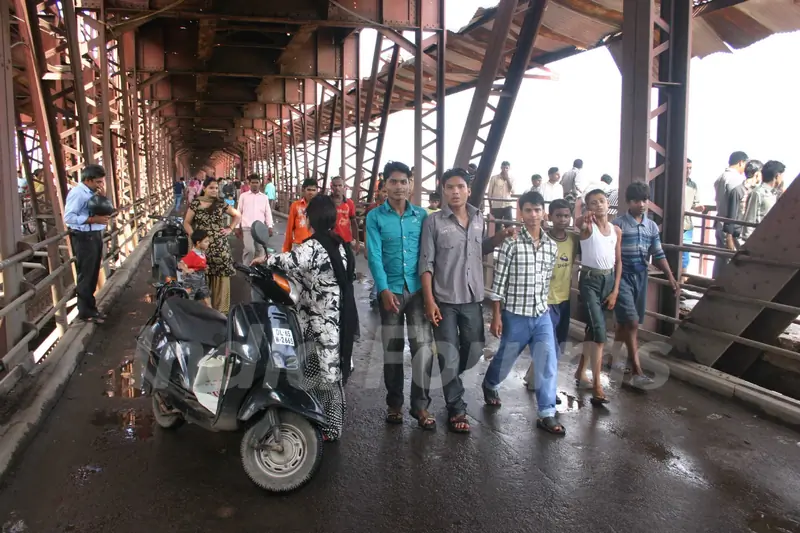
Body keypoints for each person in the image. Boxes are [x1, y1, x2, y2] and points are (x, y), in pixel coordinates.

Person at [419, 168, 515, 434]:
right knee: (449, 353)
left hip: (473, 298)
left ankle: (449, 379)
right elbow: (426, 262)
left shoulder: (477, 217)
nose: (455, 192)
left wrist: (499, 237)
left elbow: (478, 248)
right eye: (450, 187)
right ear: (443, 191)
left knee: (474, 351)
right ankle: (456, 407)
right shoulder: (434, 222)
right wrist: (429, 300)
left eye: (460, 187)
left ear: (468, 190)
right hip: (444, 299)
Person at [255, 195, 357, 442]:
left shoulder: (313, 246)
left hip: (322, 322)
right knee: (324, 372)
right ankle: (320, 419)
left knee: (327, 376)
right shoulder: (340, 244)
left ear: (311, 217)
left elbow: (291, 260)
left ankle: (331, 428)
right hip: (337, 318)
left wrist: (264, 259)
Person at [483, 191, 564, 435]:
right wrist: (496, 315)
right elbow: (499, 282)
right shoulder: (511, 243)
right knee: (506, 358)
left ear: (544, 213)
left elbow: (546, 281)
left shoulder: (551, 247)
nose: (533, 215)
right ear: (521, 212)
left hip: (541, 315)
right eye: (528, 210)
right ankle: (490, 383)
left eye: (537, 210)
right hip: (515, 314)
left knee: (547, 361)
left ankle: (546, 413)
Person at [365, 161, 435, 429]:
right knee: (393, 350)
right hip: (390, 292)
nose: (398, 187)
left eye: (403, 182)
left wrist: (430, 294)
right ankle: (394, 404)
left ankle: (421, 407)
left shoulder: (422, 216)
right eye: (393, 182)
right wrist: (382, 289)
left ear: (411, 185)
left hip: (417, 291)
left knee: (423, 350)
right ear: (384, 186)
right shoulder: (375, 217)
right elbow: (374, 255)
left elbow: (429, 255)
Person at [613, 181, 679, 387]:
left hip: (641, 276)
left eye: (644, 200)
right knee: (632, 322)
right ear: (628, 202)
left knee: (626, 321)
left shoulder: (650, 226)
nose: (641, 204)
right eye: (636, 200)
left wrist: (670, 276)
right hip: (622, 276)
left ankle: (614, 357)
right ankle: (637, 370)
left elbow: (657, 253)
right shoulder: (619, 225)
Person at [523, 198, 580, 393]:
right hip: (546, 301)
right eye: (558, 216)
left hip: (564, 300)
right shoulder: (542, 239)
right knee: (550, 347)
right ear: (550, 216)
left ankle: (532, 377)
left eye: (566, 216)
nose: (563, 220)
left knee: (558, 345)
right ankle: (546, 389)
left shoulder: (573, 240)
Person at [573, 190, 621, 404]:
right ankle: (597, 385)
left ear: (607, 203)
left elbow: (618, 261)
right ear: (589, 207)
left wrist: (615, 290)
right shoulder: (587, 227)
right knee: (600, 332)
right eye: (594, 203)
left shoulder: (615, 230)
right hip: (590, 281)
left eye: (602, 201)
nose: (599, 205)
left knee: (593, 329)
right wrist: (581, 218)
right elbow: (578, 224)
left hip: (608, 280)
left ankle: (580, 371)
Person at [183, 178, 241, 313]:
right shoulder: (196, 204)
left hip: (220, 248)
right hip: (202, 248)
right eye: (211, 188)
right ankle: (203, 311)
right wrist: (195, 237)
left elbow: (237, 215)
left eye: (216, 188)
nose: (214, 190)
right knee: (201, 277)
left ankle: (220, 313)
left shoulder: (221, 204)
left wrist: (230, 228)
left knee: (221, 279)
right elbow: (186, 222)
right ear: (204, 189)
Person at [64, 164, 112, 324]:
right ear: (87, 180)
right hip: (84, 237)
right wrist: (93, 220)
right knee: (86, 274)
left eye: (102, 181)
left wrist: (103, 197)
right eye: (98, 182)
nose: (101, 184)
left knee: (92, 273)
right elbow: (69, 217)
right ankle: (86, 312)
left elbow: (103, 208)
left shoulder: (92, 192)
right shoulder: (78, 194)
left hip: (94, 235)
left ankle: (92, 309)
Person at [713, 151, 748, 277]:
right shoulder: (737, 179)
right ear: (741, 162)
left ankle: (713, 287)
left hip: (719, 221)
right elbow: (736, 204)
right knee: (730, 260)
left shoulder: (721, 177)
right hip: (730, 225)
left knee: (720, 259)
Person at [742, 160, 785, 240]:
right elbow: (750, 219)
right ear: (777, 176)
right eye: (782, 176)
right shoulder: (757, 193)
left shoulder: (775, 194)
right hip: (758, 238)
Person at [237, 174, 274, 266]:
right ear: (249, 184)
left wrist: (270, 226)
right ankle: (247, 268)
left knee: (260, 250)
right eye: (252, 182)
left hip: (260, 229)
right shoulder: (243, 196)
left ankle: (258, 270)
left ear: (259, 183)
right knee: (249, 250)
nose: (254, 184)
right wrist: (237, 227)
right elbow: (238, 212)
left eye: (256, 182)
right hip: (247, 227)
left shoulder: (264, 197)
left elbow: (268, 213)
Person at [723, 159, 761, 249]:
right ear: (757, 174)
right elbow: (731, 215)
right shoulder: (738, 190)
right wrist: (729, 238)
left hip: (751, 233)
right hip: (738, 234)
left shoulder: (757, 192)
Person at [365, 181, 387, 307]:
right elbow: (367, 231)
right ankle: (375, 295)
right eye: (384, 191)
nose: (386, 194)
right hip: (375, 245)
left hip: (386, 246)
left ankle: (376, 294)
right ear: (378, 192)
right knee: (378, 269)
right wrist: (367, 248)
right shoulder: (372, 210)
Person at [283, 178, 318, 252]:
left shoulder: (321, 207)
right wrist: (286, 250)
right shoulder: (295, 206)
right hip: (298, 245)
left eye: (313, 190)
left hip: (315, 246)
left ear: (317, 191)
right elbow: (289, 229)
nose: (311, 193)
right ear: (303, 190)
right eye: (308, 190)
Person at [178, 229, 212, 307]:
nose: (208, 243)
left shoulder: (201, 252)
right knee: (190, 297)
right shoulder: (192, 254)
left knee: (206, 294)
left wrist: (204, 267)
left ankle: (210, 309)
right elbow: (180, 264)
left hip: (201, 278)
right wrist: (187, 270)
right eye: (206, 242)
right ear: (198, 243)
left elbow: (199, 264)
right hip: (192, 279)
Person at [682, 159, 705, 271]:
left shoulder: (693, 185)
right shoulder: (672, 182)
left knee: (685, 258)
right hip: (673, 224)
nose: (688, 171)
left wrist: (699, 208)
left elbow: (695, 204)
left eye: (690, 168)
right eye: (686, 168)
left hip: (687, 225)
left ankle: (680, 284)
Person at [329, 176, 360, 253]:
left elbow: (353, 222)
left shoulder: (349, 203)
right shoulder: (326, 202)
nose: (337, 188)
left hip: (346, 240)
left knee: (348, 264)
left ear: (344, 187)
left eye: (340, 185)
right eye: (335, 186)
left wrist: (357, 241)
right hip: (330, 241)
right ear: (331, 187)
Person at [487, 161, 515, 231]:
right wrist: (490, 206)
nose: (505, 169)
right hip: (496, 205)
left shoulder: (512, 178)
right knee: (497, 226)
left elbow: (512, 191)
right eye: (503, 167)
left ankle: (508, 241)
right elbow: (490, 193)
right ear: (501, 168)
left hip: (507, 205)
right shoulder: (494, 178)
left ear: (509, 169)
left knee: (508, 225)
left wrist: (507, 179)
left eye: (506, 168)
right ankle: (498, 241)